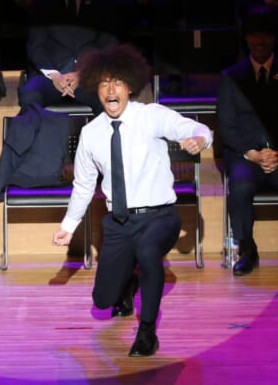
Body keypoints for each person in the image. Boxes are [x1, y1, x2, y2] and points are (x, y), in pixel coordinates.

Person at [52, 43, 212, 357]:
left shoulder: (150, 116)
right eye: (104, 84)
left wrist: (199, 139)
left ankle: (147, 332)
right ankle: (127, 283)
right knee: (102, 300)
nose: (111, 90)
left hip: (159, 216)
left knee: (148, 251)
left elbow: (194, 127)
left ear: (129, 86)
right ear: (96, 89)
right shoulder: (91, 134)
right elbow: (84, 185)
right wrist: (68, 226)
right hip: (120, 222)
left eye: (117, 82)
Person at [217, 5, 278, 276]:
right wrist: (254, 154)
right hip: (247, 157)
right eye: (254, 34)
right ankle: (248, 251)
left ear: (274, 37)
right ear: (246, 37)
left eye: (266, 34)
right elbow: (226, 127)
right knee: (240, 188)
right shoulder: (231, 77)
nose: (260, 41)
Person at [18, 0, 124, 115]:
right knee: (30, 96)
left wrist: (82, 74)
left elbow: (109, 46)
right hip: (51, 77)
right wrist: (55, 75)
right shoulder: (42, 0)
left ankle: (106, 133)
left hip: (90, 76)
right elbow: (36, 46)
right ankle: (45, 132)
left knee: (110, 98)